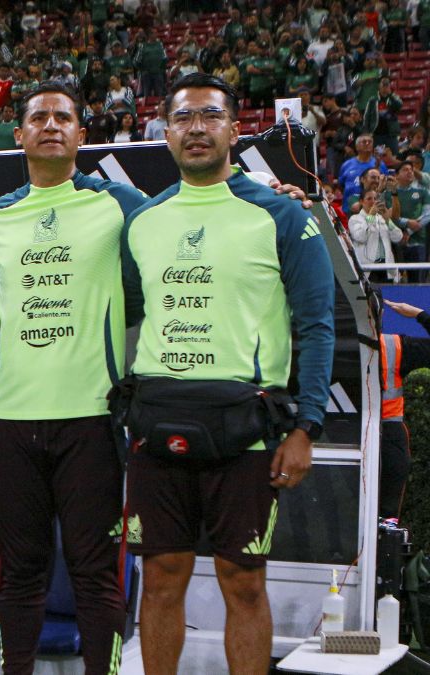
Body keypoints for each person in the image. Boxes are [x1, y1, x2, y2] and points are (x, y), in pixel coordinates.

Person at [121, 73, 335, 674]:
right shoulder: (143, 221)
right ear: (165, 133)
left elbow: (317, 325)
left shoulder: (282, 216)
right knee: (160, 577)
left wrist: (306, 427)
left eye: (210, 117)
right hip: (158, 425)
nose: (197, 129)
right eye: (184, 118)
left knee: (243, 582)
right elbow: (123, 311)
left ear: (233, 130)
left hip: (248, 429)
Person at [0, 81, 148, 674]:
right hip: (11, 421)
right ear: (18, 136)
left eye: (63, 117)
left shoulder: (118, 201)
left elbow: (162, 261)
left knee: (94, 574)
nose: (50, 125)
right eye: (38, 117)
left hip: (91, 418)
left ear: (80, 136)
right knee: (20, 574)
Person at [372, 299, 430, 519]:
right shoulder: (393, 345)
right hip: (388, 436)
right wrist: (418, 313)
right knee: (386, 519)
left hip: (337, 432)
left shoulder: (320, 340)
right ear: (380, 314)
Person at [349, 189, 402, 283]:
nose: (373, 201)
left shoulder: (382, 218)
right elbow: (361, 237)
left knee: (388, 297)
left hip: (386, 267)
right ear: (361, 201)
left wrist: (388, 220)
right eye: (369, 199)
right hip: (369, 268)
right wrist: (370, 216)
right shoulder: (355, 219)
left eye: (375, 198)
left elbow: (398, 237)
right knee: (371, 297)